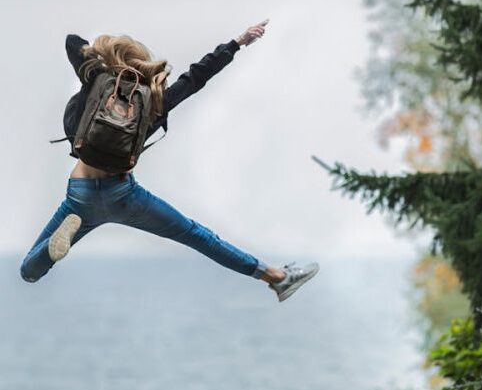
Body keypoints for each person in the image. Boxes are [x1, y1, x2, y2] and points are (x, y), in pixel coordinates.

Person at [20, 20, 319, 302]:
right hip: (123, 195)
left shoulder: (97, 80)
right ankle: (276, 277)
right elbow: (196, 78)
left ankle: (51, 248)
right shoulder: (152, 100)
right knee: (197, 236)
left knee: (29, 272)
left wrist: (105, 62)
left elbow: (73, 42)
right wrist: (237, 43)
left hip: (80, 194)